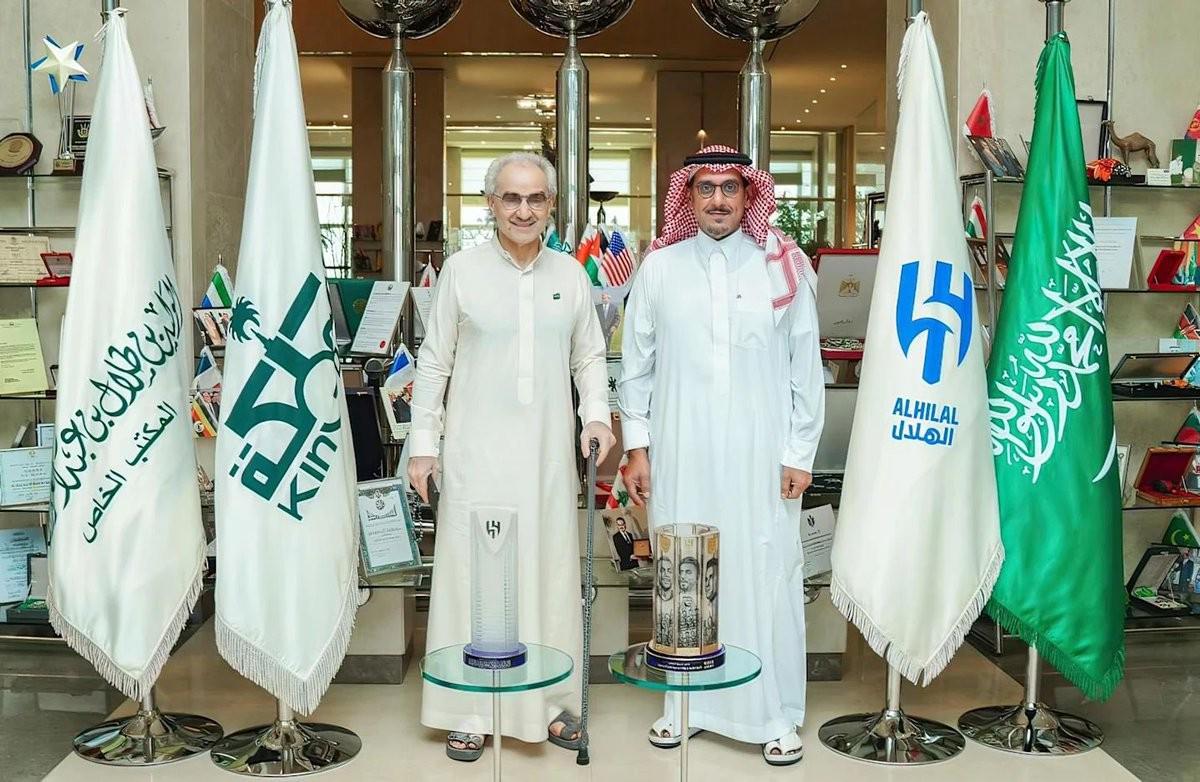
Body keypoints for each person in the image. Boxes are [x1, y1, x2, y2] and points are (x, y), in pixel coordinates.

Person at [618, 145, 825, 767]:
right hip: (680, 451)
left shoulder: (782, 267)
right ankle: (684, 707)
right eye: (705, 188)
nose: (717, 200)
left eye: (729, 188)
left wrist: (800, 452)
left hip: (762, 456)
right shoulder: (659, 267)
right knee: (685, 571)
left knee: (764, 571)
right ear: (687, 196)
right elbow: (636, 365)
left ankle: (774, 712)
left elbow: (805, 366)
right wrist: (637, 447)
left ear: (748, 195)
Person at [407, 151, 616, 763]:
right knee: (473, 577)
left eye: (536, 199)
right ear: (491, 204)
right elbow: (434, 363)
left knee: (549, 573)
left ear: (551, 206)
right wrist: (423, 448)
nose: (524, 210)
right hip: (475, 457)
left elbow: (589, 357)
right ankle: (467, 711)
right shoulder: (461, 271)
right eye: (511, 198)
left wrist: (596, 415)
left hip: (547, 458)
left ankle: (548, 706)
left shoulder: (570, 275)